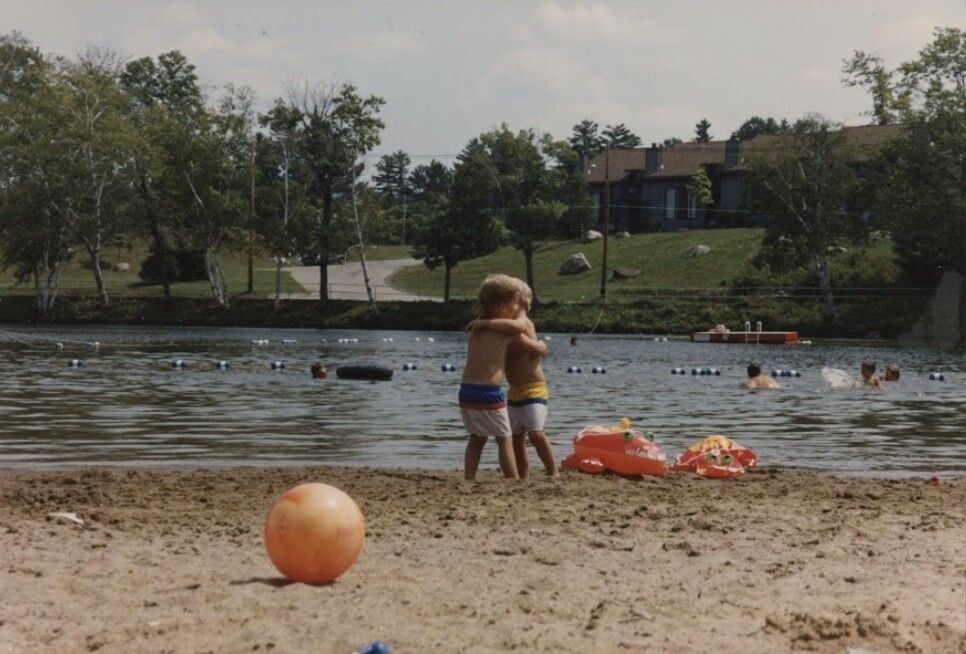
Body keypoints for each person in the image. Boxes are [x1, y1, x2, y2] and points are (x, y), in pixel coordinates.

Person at [459, 274, 547, 481]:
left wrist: (487, 322)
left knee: (476, 438)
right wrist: (541, 346)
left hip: (466, 390)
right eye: (514, 304)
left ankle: (469, 477)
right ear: (501, 307)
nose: (517, 310)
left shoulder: (477, 327)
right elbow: (525, 336)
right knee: (504, 438)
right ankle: (513, 479)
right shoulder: (505, 330)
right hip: (488, 392)